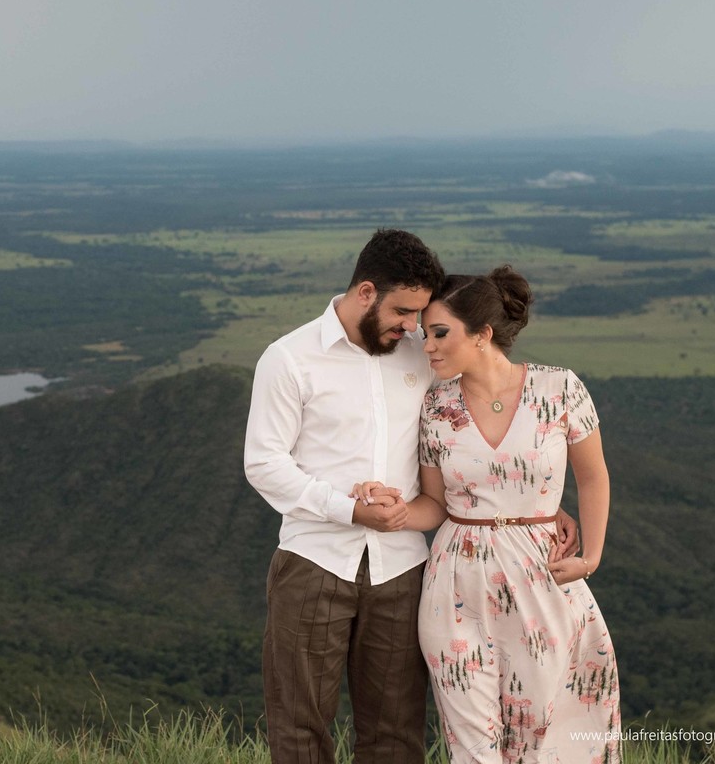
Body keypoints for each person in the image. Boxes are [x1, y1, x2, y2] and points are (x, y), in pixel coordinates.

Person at [244, 232, 578, 764]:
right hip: (312, 562)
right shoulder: (289, 359)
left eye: (420, 318)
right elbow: (263, 463)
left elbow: (476, 419)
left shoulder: (421, 358)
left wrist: (523, 499)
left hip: (404, 570)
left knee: (397, 735)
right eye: (402, 312)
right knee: (300, 730)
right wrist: (349, 509)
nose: (412, 329)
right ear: (366, 292)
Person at [401, 266, 621, 763]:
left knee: (539, 738)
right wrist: (392, 514)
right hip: (456, 584)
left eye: (439, 333)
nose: (428, 346)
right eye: (424, 335)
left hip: (541, 577)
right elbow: (435, 505)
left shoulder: (559, 390)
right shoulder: (436, 406)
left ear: (482, 334)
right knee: (472, 748)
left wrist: (592, 556)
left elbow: (594, 476)